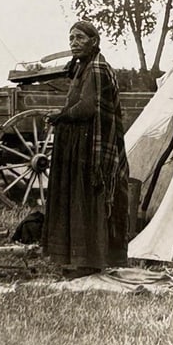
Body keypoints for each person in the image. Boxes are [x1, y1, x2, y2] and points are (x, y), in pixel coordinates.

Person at [41, 20, 130, 276]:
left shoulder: (97, 69)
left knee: (86, 200)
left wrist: (60, 116)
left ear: (94, 41)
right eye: (71, 38)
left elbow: (88, 108)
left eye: (80, 38)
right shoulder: (82, 68)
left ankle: (89, 260)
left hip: (91, 148)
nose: (74, 43)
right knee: (77, 200)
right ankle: (76, 259)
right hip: (78, 143)